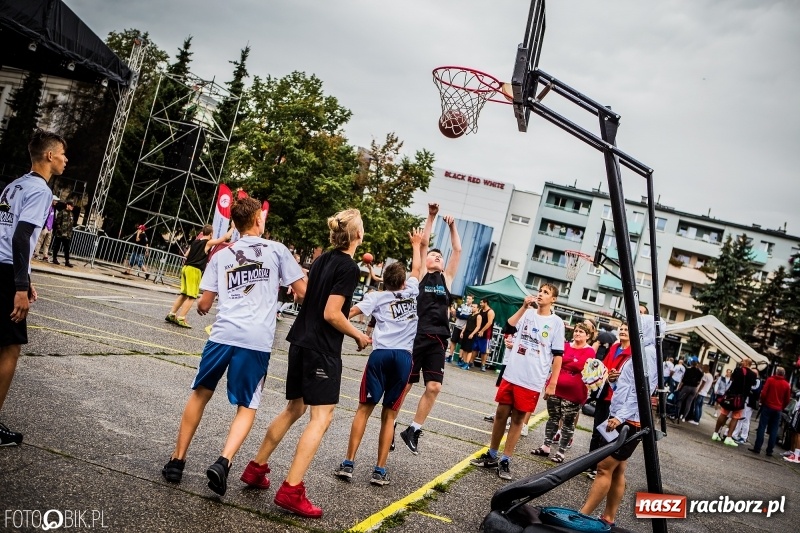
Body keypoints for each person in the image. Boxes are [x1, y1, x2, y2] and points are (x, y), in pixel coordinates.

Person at [161, 197, 306, 496]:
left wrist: (203, 308)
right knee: (247, 404)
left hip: (222, 334)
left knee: (200, 393)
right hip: (255, 340)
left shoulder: (222, 255)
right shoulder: (277, 250)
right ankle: (223, 461)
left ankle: (177, 461)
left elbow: (204, 302)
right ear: (257, 220)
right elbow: (303, 292)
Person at [240, 208, 371, 519]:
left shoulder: (324, 258)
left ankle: (256, 468)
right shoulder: (349, 268)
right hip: (321, 349)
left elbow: (307, 295)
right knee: (321, 417)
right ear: (358, 236)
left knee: (294, 408)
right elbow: (332, 313)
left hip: (300, 341)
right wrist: (358, 336)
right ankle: (291, 489)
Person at [334, 229, 423, 486]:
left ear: (383, 280)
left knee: (363, 410)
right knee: (390, 416)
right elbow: (417, 268)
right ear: (403, 282)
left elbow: (346, 314)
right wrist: (416, 244)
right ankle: (379, 471)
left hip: (381, 355)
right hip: (404, 358)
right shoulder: (412, 291)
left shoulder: (376, 296)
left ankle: (349, 463)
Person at [0, 129, 68, 446]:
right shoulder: (40, 190)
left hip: (5, 267)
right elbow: (20, 236)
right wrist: (19, 285)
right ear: (49, 156)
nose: (66, 160)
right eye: (63, 154)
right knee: (9, 349)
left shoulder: (14, 185)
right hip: (4, 273)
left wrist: (27, 275)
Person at [470, 285, 565, 480]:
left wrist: (552, 382)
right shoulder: (527, 313)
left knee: (517, 420)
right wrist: (523, 307)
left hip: (531, 378)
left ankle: (506, 459)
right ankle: (492, 454)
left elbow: (557, 356)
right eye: (540, 291)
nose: (541, 294)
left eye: (546, 292)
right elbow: (508, 327)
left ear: (553, 299)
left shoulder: (556, 323)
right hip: (512, 373)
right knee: (500, 414)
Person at [580, 315, 661, 526]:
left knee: (604, 468)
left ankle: (583, 514)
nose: (629, 330)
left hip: (628, 421)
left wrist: (619, 417)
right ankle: (608, 517)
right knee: (617, 470)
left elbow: (641, 391)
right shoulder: (641, 353)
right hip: (626, 417)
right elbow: (629, 387)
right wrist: (615, 382)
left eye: (634, 327)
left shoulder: (648, 354)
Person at [398, 203, 461, 455]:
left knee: (434, 387)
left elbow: (457, 249)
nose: (436, 257)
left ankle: (413, 429)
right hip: (417, 335)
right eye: (433, 255)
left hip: (438, 339)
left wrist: (453, 226)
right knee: (406, 384)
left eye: (439, 256)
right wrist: (431, 217)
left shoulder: (446, 279)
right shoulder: (423, 274)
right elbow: (423, 245)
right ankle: (390, 422)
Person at [531, 321, 594, 462]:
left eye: (581, 332)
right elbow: (555, 363)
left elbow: (580, 365)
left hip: (574, 393)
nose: (577, 333)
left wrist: (567, 363)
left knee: (568, 421)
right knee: (553, 418)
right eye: (576, 331)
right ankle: (546, 446)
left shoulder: (590, 351)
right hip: (556, 388)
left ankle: (561, 451)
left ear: (588, 336)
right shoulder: (565, 346)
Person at [585, 322, 631, 480]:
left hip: (618, 399)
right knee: (597, 430)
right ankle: (589, 464)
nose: (623, 331)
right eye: (622, 329)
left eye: (627, 329)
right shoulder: (614, 347)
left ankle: (600, 466)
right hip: (605, 394)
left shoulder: (633, 353)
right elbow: (605, 366)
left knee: (609, 434)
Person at [166, 224, 233, 328]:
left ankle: (172, 314)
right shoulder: (208, 242)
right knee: (192, 296)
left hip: (186, 267)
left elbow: (186, 254)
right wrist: (232, 228)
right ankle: (181, 318)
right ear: (211, 234)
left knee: (183, 294)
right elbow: (224, 238)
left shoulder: (195, 242)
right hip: (194, 269)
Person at [748, 367, 791, 457]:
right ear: (784, 374)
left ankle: (757, 447)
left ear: (776, 372)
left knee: (762, 427)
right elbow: (787, 399)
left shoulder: (770, 380)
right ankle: (769, 450)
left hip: (767, 406)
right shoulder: (786, 384)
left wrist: (763, 402)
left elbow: (763, 393)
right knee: (774, 429)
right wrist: (781, 406)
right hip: (778, 409)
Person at [712, 359, 756, 446]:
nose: (741, 362)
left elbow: (732, 379)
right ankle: (728, 438)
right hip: (741, 398)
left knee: (723, 414)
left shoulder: (737, 370)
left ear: (747, 363)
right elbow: (753, 384)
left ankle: (715, 433)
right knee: (735, 417)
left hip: (731, 396)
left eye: (742, 361)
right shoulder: (753, 374)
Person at [732, 369, 761, 444]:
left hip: (749, 402)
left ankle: (743, 436)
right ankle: (735, 434)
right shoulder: (749, 380)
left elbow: (755, 390)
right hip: (744, 400)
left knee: (745, 419)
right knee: (740, 418)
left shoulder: (757, 381)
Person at [447, 295, 473, 363]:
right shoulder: (462, 305)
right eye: (467, 298)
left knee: (461, 344)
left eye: (469, 299)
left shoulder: (472, 308)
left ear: (472, 300)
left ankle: (459, 358)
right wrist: (463, 315)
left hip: (464, 328)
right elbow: (458, 314)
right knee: (453, 341)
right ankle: (450, 356)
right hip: (457, 325)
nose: (468, 300)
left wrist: (463, 315)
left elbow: (469, 317)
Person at [34, 195, 58, 261]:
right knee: (40, 241)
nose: (56, 202)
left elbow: (53, 218)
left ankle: (45, 255)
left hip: (50, 228)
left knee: (47, 243)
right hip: (45, 227)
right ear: (52, 200)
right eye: (55, 200)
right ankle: (36, 253)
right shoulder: (47, 208)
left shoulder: (54, 209)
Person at [51, 200, 74, 267]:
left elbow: (71, 224)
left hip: (67, 235)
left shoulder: (71, 214)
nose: (72, 207)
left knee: (67, 248)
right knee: (57, 246)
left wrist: (69, 233)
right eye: (71, 205)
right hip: (60, 234)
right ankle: (54, 258)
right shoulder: (62, 212)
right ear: (67, 205)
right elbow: (57, 222)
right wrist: (60, 230)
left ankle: (67, 261)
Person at [458, 303, 481, 370]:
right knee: (464, 348)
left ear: (477, 308)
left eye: (474, 307)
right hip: (466, 332)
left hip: (471, 333)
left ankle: (467, 363)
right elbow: (466, 324)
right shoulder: (470, 315)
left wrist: (473, 334)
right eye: (472, 307)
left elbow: (478, 326)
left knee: (469, 349)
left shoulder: (478, 316)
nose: (472, 308)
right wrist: (462, 332)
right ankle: (464, 361)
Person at [476, 298, 496, 371]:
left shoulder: (490, 312)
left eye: (481, 303)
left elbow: (489, 323)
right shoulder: (481, 310)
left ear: (486, 303)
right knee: (475, 348)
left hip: (486, 334)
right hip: (479, 332)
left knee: (484, 351)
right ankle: (470, 362)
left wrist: (482, 331)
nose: (480, 304)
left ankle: (483, 365)